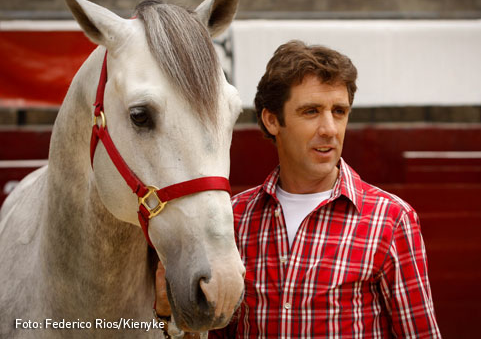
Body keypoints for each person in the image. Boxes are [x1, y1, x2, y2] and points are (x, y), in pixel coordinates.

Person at [156, 40, 441, 338]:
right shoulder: (234, 220)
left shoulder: (391, 219)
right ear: (271, 120)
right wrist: (164, 315)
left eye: (339, 111)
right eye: (311, 111)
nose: (330, 129)